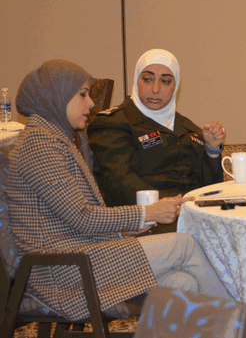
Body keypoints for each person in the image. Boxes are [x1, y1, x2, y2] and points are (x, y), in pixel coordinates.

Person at [6, 60, 231, 322]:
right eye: (83, 94)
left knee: (182, 282)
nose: (91, 103)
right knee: (184, 245)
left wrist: (124, 230)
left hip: (79, 255)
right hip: (61, 270)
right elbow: (82, 217)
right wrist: (148, 213)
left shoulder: (54, 140)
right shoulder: (40, 146)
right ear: (58, 96)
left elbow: (71, 219)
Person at [88, 49, 226, 233]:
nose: (155, 89)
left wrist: (212, 151)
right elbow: (119, 183)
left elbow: (210, 189)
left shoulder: (188, 128)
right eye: (147, 79)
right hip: (147, 220)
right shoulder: (114, 123)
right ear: (136, 80)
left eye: (165, 81)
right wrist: (164, 207)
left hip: (193, 214)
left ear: (175, 86)